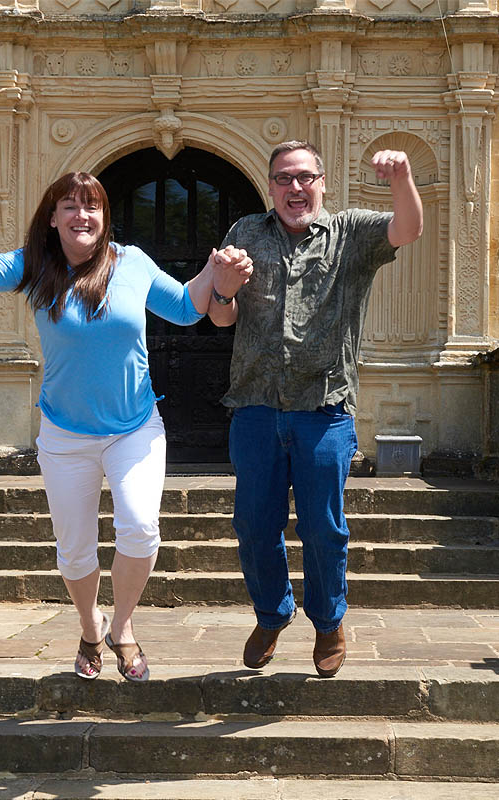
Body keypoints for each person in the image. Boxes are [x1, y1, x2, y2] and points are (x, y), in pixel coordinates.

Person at [0, 172, 252, 682]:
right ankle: (90, 626)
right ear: (54, 216)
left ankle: (123, 628)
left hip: (134, 428)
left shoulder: (131, 263)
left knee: (141, 527)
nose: (82, 216)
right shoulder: (34, 266)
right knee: (75, 550)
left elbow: (187, 309)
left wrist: (215, 277)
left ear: (104, 218)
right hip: (65, 436)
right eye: (70, 206)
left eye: (92, 207)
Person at [208, 140, 423, 677]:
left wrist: (401, 177)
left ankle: (328, 623)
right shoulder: (245, 233)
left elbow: (408, 229)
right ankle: (272, 613)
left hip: (324, 408)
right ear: (271, 185)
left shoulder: (351, 233)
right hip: (256, 406)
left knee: (324, 527)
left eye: (305, 177)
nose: (294, 188)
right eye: (283, 178)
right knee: (254, 525)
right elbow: (220, 318)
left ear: (321, 182)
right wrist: (225, 291)